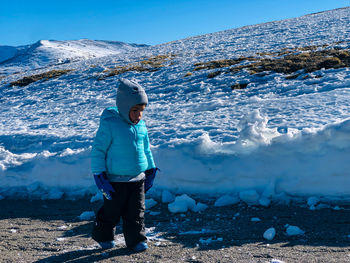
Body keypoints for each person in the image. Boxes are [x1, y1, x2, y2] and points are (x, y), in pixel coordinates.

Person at [90, 78, 158, 251]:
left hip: (138, 179)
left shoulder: (141, 126)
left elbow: (146, 149)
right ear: (124, 107)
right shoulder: (110, 125)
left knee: (136, 213)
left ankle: (136, 240)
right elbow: (98, 150)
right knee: (111, 212)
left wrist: (150, 169)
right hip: (115, 181)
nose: (139, 115)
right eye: (135, 110)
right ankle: (103, 236)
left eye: (142, 110)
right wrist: (99, 174)